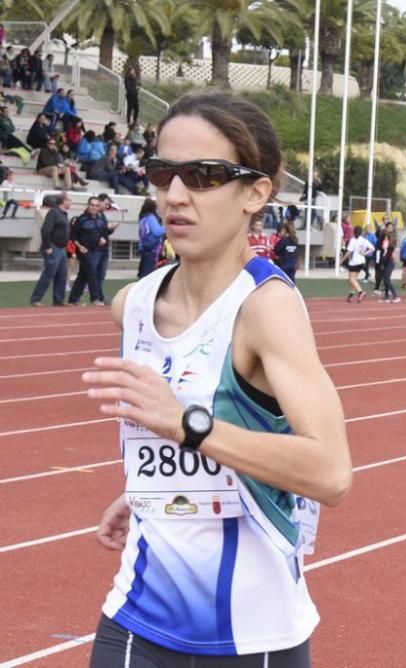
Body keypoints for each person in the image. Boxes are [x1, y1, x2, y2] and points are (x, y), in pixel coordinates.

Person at [83, 90, 352, 666]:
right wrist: (154, 490)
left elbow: (331, 472)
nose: (174, 196)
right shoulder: (131, 305)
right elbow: (192, 442)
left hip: (252, 637)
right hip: (136, 617)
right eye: (162, 173)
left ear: (256, 192)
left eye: (203, 176)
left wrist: (187, 426)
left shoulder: (265, 308)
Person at [29, 192, 72, 307]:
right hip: (53, 247)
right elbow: (45, 230)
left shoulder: (62, 214)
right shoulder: (54, 213)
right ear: (63, 201)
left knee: (62, 275)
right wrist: (47, 246)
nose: (70, 202)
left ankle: (59, 300)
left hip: (61, 248)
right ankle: (36, 298)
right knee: (49, 274)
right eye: (69, 200)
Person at [342, 225, 373, 302]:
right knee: (354, 279)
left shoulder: (353, 240)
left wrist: (342, 260)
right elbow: (372, 248)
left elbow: (349, 252)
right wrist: (365, 253)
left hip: (355, 262)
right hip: (362, 262)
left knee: (351, 278)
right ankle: (351, 294)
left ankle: (360, 292)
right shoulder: (364, 240)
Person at [136, 198, 164, 279]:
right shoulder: (151, 218)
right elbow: (157, 231)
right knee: (149, 274)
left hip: (145, 248)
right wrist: (167, 228)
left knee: (143, 272)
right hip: (152, 249)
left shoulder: (143, 217)